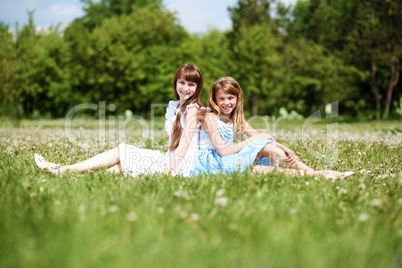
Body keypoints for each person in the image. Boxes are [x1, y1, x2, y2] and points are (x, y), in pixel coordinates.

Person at [34, 63, 205, 177]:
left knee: (121, 151)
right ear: (175, 83)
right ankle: (71, 174)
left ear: (197, 88)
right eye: (182, 82)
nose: (185, 88)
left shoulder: (193, 110)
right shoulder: (175, 107)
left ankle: (64, 170)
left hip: (181, 165)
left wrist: (168, 170)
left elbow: (183, 148)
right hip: (172, 159)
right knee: (121, 166)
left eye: (191, 85)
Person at [191, 76, 353, 179]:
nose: (227, 103)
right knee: (263, 170)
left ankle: (317, 173)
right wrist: (255, 139)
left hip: (231, 159)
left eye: (231, 98)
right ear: (215, 100)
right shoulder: (210, 119)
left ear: (237, 98)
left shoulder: (236, 118)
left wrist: (284, 147)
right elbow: (223, 151)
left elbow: (262, 137)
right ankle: (320, 176)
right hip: (215, 163)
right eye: (222, 99)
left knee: (269, 148)